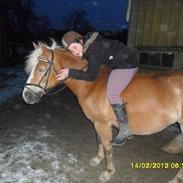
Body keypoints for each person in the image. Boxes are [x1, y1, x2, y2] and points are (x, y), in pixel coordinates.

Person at [56, 31, 138, 146]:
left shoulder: (93, 50)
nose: (75, 52)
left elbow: (92, 76)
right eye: (71, 50)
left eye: (75, 47)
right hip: (120, 61)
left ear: (80, 40)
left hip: (127, 64)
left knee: (112, 92)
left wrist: (70, 72)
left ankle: (125, 129)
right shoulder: (90, 45)